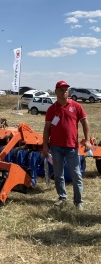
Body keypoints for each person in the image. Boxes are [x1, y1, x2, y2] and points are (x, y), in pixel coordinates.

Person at [42, 80, 91, 211]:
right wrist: (45, 146)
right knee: (58, 174)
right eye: (62, 89)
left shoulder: (76, 106)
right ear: (56, 91)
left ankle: (78, 201)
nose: (64, 91)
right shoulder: (52, 109)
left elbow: (85, 123)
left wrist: (87, 140)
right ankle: (62, 197)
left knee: (75, 174)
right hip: (56, 147)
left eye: (66, 89)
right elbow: (47, 128)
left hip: (71, 146)